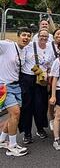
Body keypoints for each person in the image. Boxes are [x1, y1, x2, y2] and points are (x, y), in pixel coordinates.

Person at [0, 27, 32, 157]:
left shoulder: (24, 50)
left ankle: (2, 140)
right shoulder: (7, 45)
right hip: (4, 86)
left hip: (16, 86)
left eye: (28, 36)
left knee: (13, 116)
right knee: (15, 113)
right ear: (18, 36)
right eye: (23, 35)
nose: (26, 38)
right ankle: (12, 146)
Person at [19, 29, 54, 144]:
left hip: (41, 80)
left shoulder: (49, 47)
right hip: (28, 78)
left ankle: (40, 128)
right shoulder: (29, 46)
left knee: (41, 106)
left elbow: (51, 64)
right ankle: (27, 133)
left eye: (46, 36)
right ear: (37, 36)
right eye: (41, 36)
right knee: (27, 106)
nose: (43, 38)